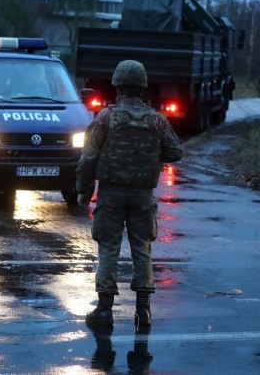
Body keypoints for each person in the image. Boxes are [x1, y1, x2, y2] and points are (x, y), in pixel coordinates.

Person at [75, 59, 184, 327]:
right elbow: (176, 151)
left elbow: (89, 157)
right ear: (142, 88)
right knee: (142, 248)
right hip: (142, 197)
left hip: (111, 194)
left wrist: (83, 190)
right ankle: (143, 311)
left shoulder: (106, 117)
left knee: (109, 248)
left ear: (118, 87)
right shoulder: (158, 120)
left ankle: (104, 310)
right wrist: (151, 153)